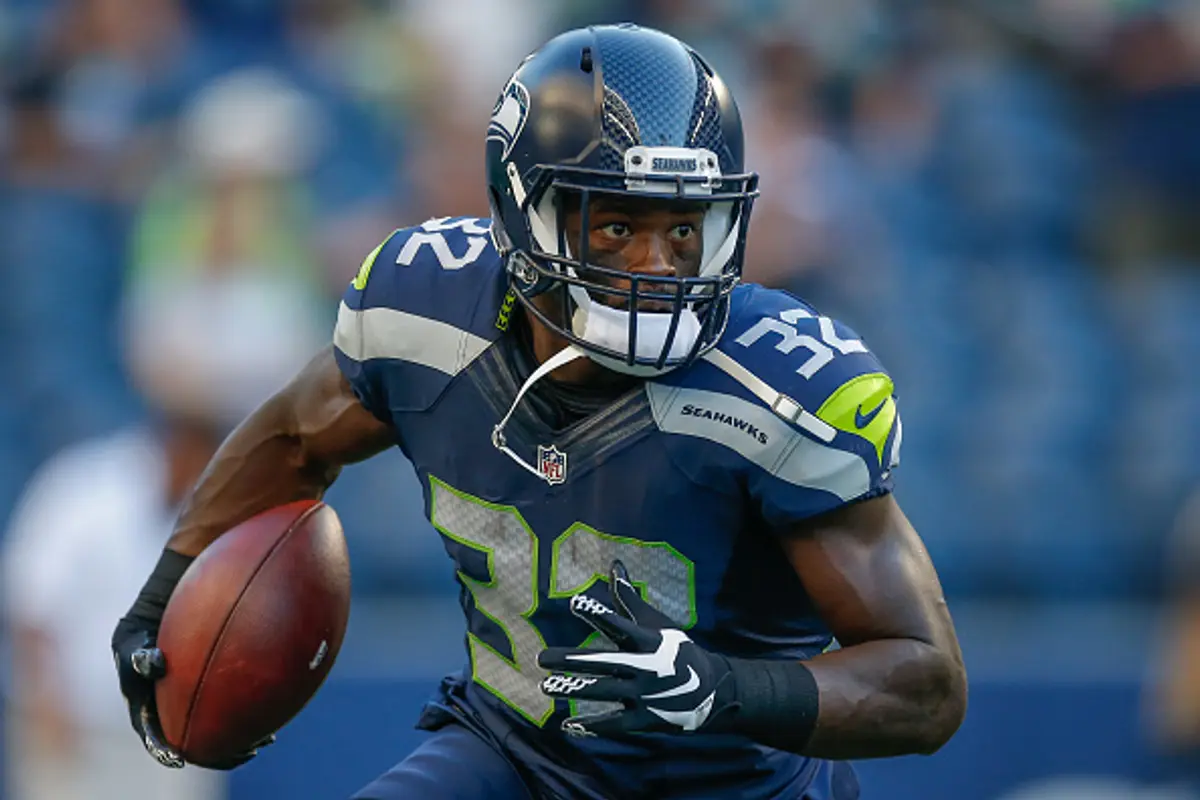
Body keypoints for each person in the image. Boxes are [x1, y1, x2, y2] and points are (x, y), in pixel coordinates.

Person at [111, 24, 967, 799]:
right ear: (525, 211)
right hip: (515, 756)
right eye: (616, 226)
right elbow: (294, 438)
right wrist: (165, 593)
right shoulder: (424, 309)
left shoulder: (777, 390)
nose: (658, 265)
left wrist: (725, 690)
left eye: (683, 229)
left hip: (735, 789)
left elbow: (927, 685)